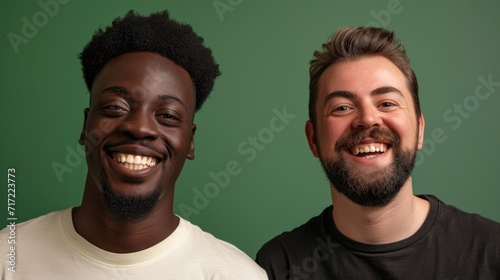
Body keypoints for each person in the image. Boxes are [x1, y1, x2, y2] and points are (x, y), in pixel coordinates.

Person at [1, 10, 267, 279]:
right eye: (115, 107)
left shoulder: (235, 274)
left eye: (168, 116)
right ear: (85, 126)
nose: (140, 127)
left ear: (190, 142)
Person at [256, 26, 500, 279]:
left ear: (419, 130)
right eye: (341, 107)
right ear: (313, 139)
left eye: (386, 103)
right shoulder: (277, 266)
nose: (368, 119)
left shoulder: (492, 252)